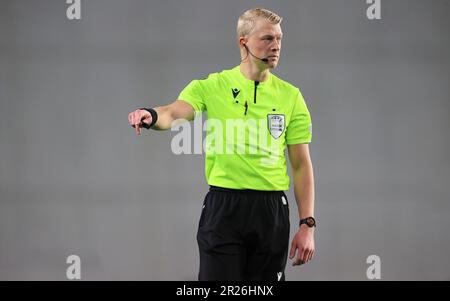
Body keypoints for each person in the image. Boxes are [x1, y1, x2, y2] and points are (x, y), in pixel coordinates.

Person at [128, 7, 315, 281]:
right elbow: (174, 112)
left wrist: (307, 224)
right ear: (244, 42)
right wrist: (151, 115)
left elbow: (301, 165)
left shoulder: (292, 97)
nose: (276, 46)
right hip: (224, 209)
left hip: (271, 211)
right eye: (267, 39)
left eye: (279, 39)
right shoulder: (211, 86)